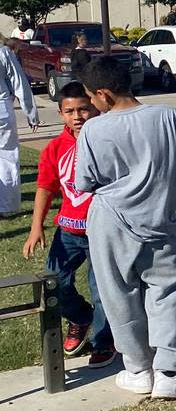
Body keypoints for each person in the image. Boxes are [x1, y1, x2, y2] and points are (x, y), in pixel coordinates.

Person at [73, 55, 176, 401]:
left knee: (119, 295)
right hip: (160, 219)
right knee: (167, 293)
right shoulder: (166, 116)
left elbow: (85, 181)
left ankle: (137, 369)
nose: (91, 105)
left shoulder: (93, 129)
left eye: (91, 98)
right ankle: (170, 372)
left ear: (103, 94)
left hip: (110, 222)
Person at [22, 82, 114, 366]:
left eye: (84, 109)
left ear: (95, 108)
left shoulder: (107, 141)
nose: (77, 116)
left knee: (103, 290)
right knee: (54, 284)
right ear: (61, 114)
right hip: (68, 231)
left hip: (102, 231)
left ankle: (103, 341)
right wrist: (36, 226)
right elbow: (46, 187)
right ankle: (80, 317)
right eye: (70, 111)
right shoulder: (55, 148)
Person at [0, 43, 38, 216]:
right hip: (2, 108)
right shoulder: (3, 52)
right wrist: (31, 113)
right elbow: (19, 81)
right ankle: (8, 206)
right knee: (7, 157)